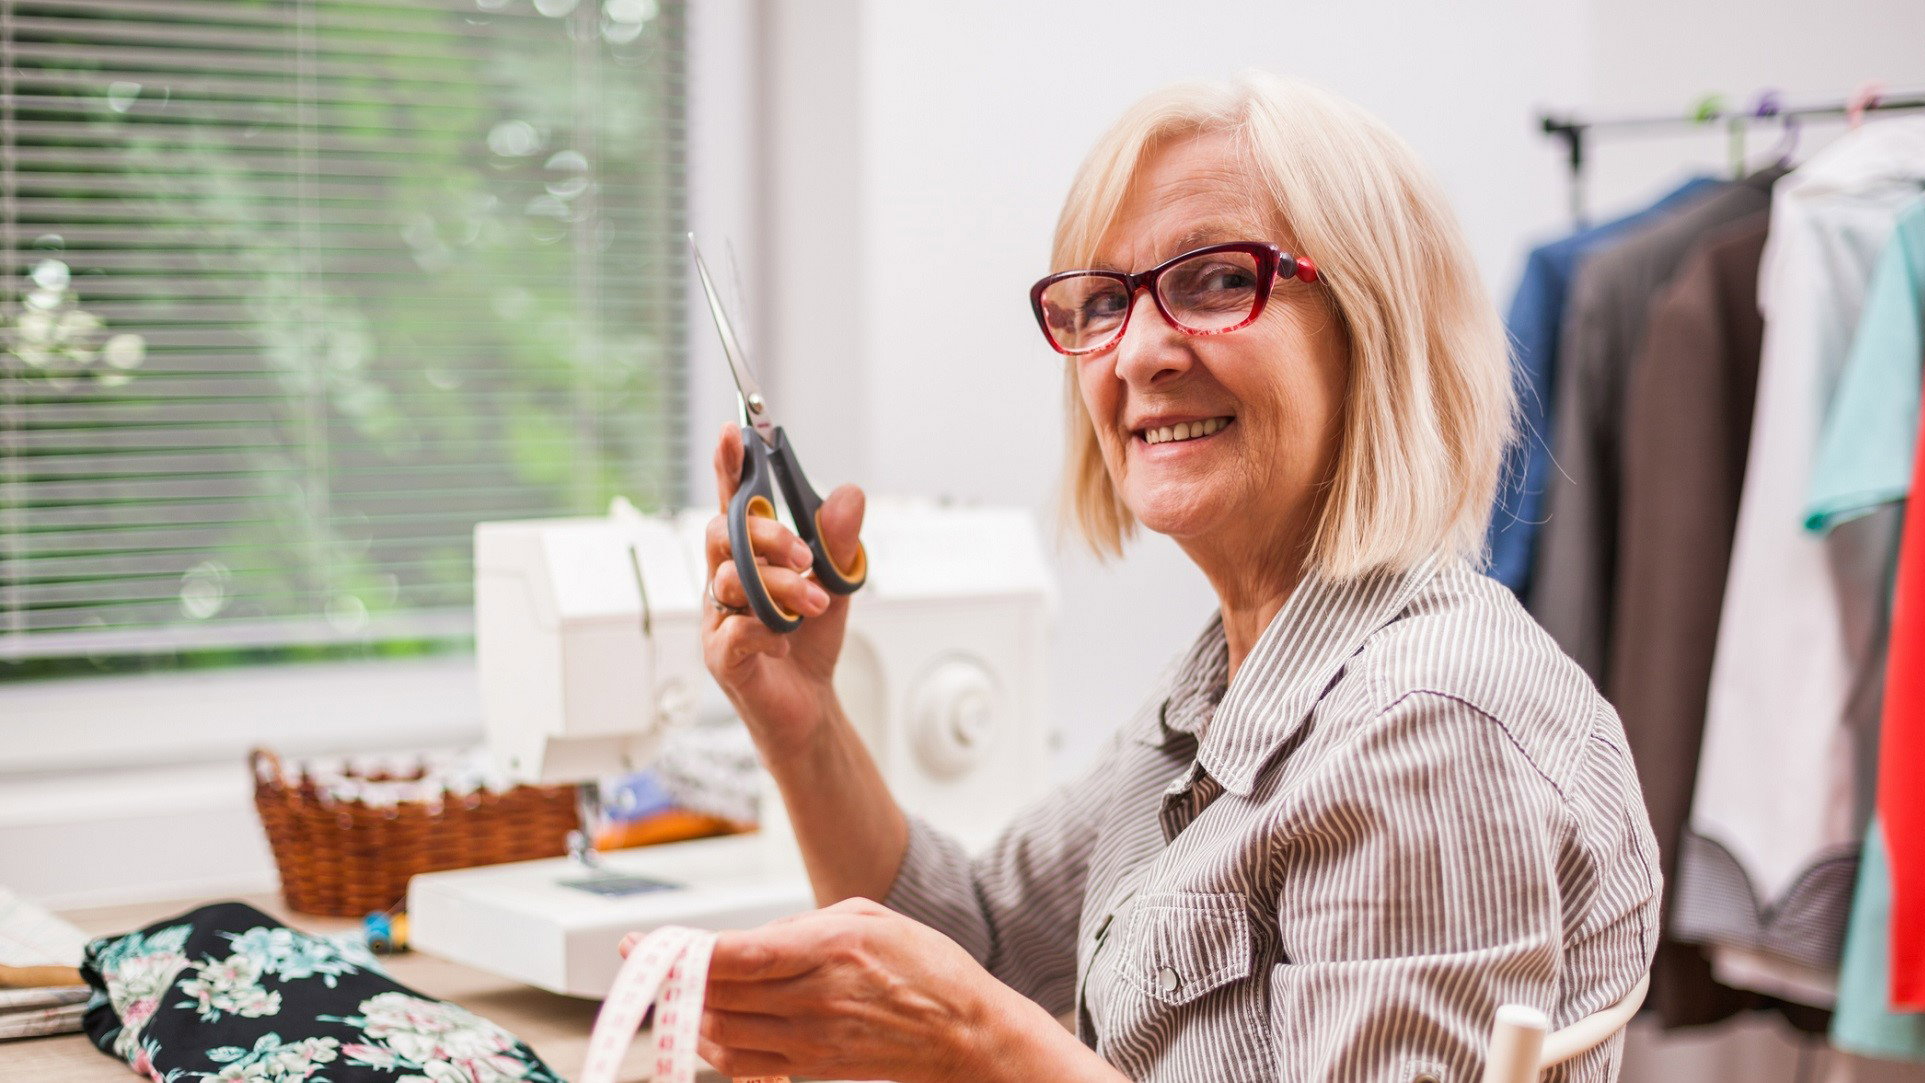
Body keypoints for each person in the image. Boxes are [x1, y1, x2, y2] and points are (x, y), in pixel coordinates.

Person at [657, 71, 1659, 1082]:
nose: (1136, 353)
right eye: (1099, 302)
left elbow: (975, 1003)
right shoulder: (1223, 687)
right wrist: (800, 719)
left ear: (1374, 327)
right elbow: (980, 940)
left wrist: (975, 1044)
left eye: (1218, 280)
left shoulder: (1430, 730)